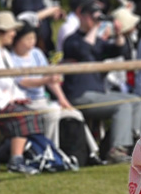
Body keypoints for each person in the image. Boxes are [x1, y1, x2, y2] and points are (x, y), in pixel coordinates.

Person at [62, 1, 141, 163]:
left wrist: (119, 34)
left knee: (135, 100)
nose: (96, 21)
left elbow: (119, 50)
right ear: (82, 17)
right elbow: (83, 50)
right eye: (92, 17)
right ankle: (117, 150)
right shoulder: (71, 41)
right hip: (80, 95)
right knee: (122, 105)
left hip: (99, 93)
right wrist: (95, 27)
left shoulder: (97, 42)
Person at [10, 22, 95, 158]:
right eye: (28, 39)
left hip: (43, 100)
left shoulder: (37, 53)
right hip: (26, 101)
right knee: (53, 113)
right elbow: (23, 81)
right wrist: (46, 80)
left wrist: (62, 99)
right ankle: (50, 150)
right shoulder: (11, 58)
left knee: (75, 114)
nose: (32, 42)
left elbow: (50, 79)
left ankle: (91, 151)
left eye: (33, 38)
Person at [0, 11, 43, 175]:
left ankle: (22, 156)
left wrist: (19, 98)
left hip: (2, 100)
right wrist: (4, 102)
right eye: (11, 30)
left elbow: (11, 83)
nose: (14, 33)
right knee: (25, 115)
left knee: (31, 112)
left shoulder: (3, 52)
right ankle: (15, 160)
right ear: (1, 31)